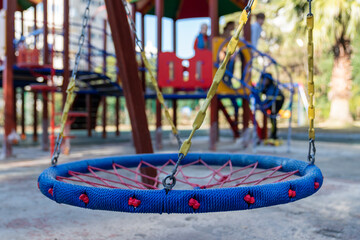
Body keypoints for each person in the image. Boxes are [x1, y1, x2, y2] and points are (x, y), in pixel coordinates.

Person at [260, 73, 284, 140]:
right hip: (273, 102)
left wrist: (262, 104)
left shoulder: (271, 87)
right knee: (272, 117)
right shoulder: (267, 87)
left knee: (273, 117)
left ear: (268, 80)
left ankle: (274, 135)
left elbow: (269, 98)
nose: (263, 82)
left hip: (276, 103)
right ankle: (273, 135)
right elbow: (262, 91)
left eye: (264, 80)